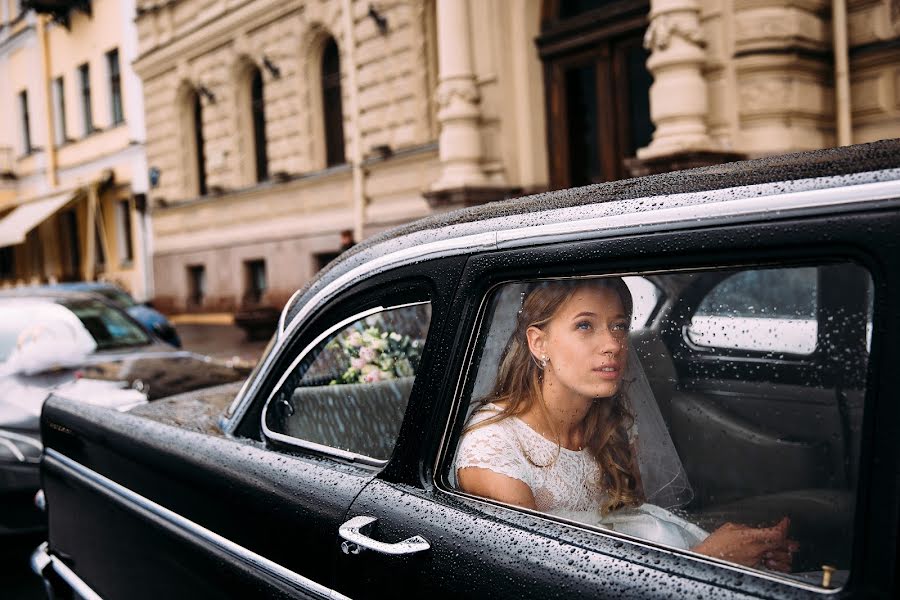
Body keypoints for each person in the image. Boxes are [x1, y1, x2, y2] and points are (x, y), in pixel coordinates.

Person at [454, 278, 797, 572]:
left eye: (618, 325)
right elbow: (536, 580)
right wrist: (708, 559)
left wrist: (746, 557)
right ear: (538, 343)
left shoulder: (610, 423)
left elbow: (636, 522)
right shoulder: (493, 451)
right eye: (585, 325)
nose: (613, 345)